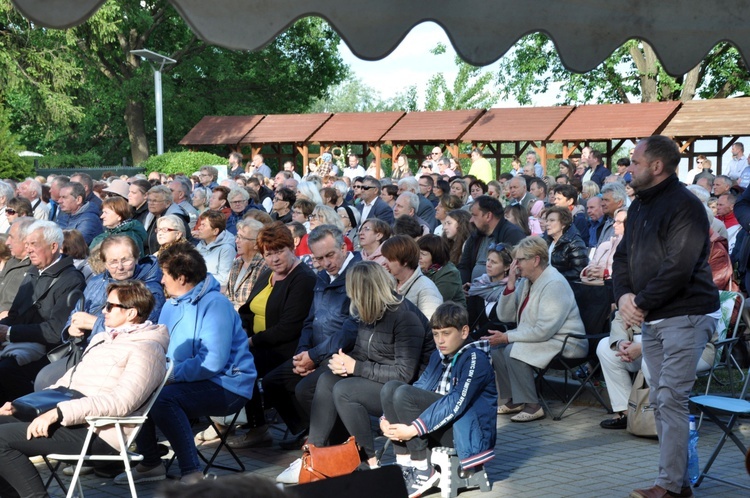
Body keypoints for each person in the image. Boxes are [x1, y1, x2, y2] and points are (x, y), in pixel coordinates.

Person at [613, 136, 719, 498]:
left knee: (671, 398)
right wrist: (623, 295)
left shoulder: (685, 205)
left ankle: (671, 487)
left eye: (635, 162)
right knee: (660, 399)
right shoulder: (640, 204)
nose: (629, 168)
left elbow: (679, 266)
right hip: (656, 316)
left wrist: (639, 302)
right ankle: (677, 482)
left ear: (656, 166)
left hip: (685, 315)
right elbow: (622, 257)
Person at [0, 280, 169, 497]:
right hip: (72, 418)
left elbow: (120, 402)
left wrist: (59, 412)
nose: (103, 311)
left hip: (99, 431)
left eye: (110, 306)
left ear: (131, 313)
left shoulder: (147, 349)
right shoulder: (103, 338)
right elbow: (66, 384)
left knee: (2, 440)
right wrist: (21, 405)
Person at [278, 261, 432, 483]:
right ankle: (315, 453)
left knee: (344, 390)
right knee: (328, 379)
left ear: (363, 292)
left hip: (407, 390)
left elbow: (404, 374)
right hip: (383, 379)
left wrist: (356, 367)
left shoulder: (404, 316)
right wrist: (342, 364)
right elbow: (361, 352)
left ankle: (369, 462)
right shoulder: (370, 313)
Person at [125, 242, 256, 485]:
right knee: (138, 389)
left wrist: (169, 375)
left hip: (228, 385)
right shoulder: (172, 303)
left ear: (182, 277)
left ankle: (192, 471)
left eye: (165, 274)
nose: (162, 281)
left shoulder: (216, 304)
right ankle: (151, 462)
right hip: (192, 380)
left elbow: (212, 362)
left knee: (164, 398)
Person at [380, 302, 497, 497]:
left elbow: (456, 402)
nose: (440, 340)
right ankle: (405, 465)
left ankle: (423, 469)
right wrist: (386, 420)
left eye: (446, 333)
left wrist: (412, 429)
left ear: (464, 331)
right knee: (391, 388)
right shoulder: (439, 355)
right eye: (435, 334)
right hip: (440, 424)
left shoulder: (476, 359)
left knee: (402, 394)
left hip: (466, 432)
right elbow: (420, 387)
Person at [262, 225, 361, 452]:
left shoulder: (358, 274)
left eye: (330, 255)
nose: (326, 263)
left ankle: (336, 443)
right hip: (317, 350)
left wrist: (313, 356)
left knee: (305, 389)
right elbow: (310, 320)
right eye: (319, 258)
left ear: (344, 247)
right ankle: (309, 431)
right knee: (273, 382)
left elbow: (350, 330)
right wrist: (302, 352)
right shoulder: (323, 277)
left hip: (346, 353)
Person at [35, 235, 166, 392]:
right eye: (113, 262)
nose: (120, 267)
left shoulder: (149, 290)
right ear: (104, 263)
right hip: (85, 350)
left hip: (119, 357)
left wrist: (94, 323)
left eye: (126, 260)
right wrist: (71, 328)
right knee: (44, 378)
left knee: (49, 381)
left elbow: (142, 330)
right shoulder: (96, 281)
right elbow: (77, 311)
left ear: (137, 258)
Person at [229, 222, 316, 448]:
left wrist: (250, 341)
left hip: (286, 347)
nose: (274, 259)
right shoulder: (268, 274)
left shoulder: (303, 279)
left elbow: (289, 327)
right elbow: (247, 310)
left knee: (242, 368)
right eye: (268, 254)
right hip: (259, 343)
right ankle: (245, 425)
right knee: (230, 363)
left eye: (279, 251)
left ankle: (271, 428)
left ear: (292, 248)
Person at [488, 236, 587, 422]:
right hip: (547, 337)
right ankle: (514, 401)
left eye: (520, 260)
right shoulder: (526, 282)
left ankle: (532, 406)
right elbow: (505, 316)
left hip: (566, 341)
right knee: (497, 349)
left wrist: (508, 337)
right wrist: (510, 285)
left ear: (535, 260)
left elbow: (544, 330)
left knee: (511, 349)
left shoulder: (554, 283)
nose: (515, 265)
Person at [0, 221, 87, 400]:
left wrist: (9, 333)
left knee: (5, 370)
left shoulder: (71, 279)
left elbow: (56, 331)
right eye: (27, 245)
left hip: (47, 353)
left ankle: (15, 420)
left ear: (54, 246)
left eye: (34, 244)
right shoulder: (33, 272)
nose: (29, 249)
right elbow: (15, 315)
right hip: (20, 342)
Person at [382, 235, 444, 319]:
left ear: (405, 262)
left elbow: (431, 325)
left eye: (389, 259)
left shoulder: (427, 289)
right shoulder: (387, 283)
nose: (384, 263)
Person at [225, 219, 268, 310]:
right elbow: (229, 295)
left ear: (257, 244)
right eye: (237, 236)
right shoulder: (237, 262)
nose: (236, 241)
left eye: (242, 238)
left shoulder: (264, 266)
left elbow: (255, 302)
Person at [417, 235, 466, 308]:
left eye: (423, 254)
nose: (418, 257)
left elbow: (435, 302)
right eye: (417, 252)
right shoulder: (421, 269)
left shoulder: (449, 274)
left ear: (435, 256)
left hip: (448, 316)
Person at [0, 218, 34, 318]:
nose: (7, 242)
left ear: (25, 240)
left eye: (11, 237)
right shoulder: (12, 260)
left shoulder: (35, 268)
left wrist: (8, 314)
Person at [193, 210, 237, 288]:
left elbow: (224, 279)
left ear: (215, 231)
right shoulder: (200, 245)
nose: (199, 228)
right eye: (200, 224)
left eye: (204, 225)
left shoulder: (227, 249)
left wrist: (196, 280)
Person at [544, 206, 588, 282]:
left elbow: (578, 272)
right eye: (547, 220)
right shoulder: (546, 241)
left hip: (567, 288)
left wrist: (553, 277)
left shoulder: (575, 243)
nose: (547, 223)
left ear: (563, 224)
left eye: (552, 220)